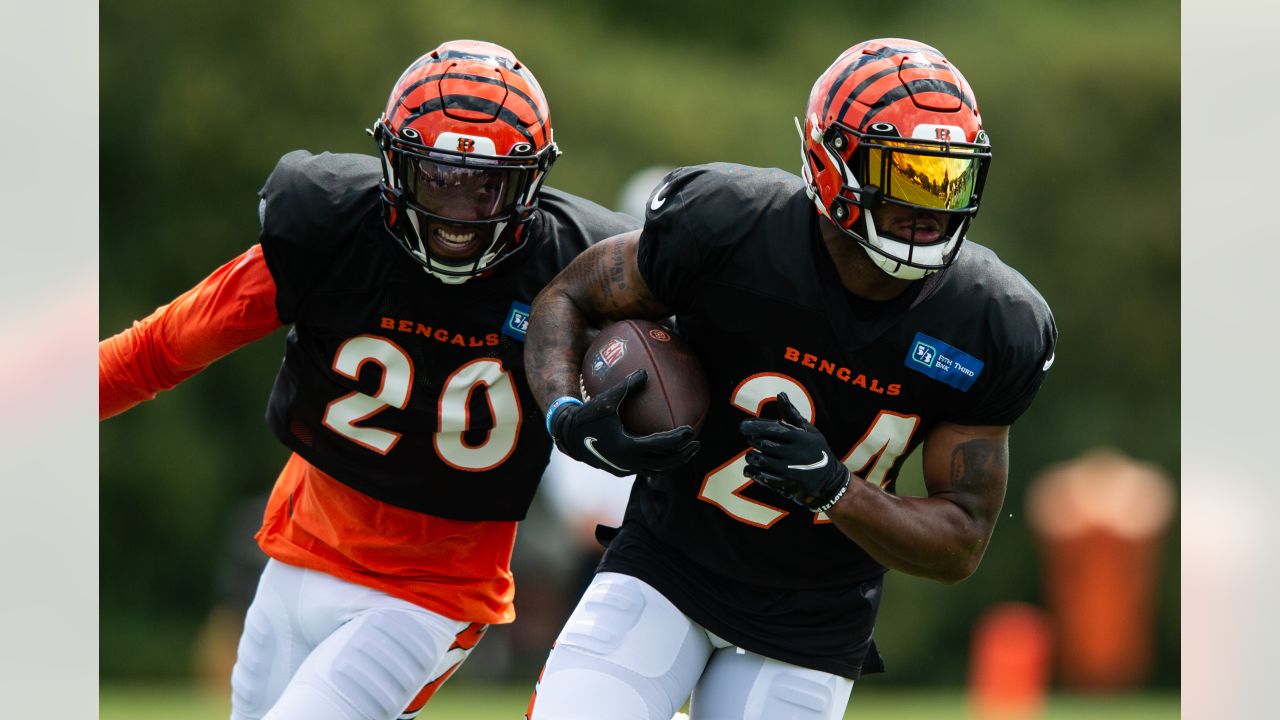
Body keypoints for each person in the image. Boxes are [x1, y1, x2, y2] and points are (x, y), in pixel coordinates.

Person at [99, 39, 638, 720]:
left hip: (430, 596)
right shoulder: (332, 227)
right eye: (435, 178)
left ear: (529, 182)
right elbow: (159, 350)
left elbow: (697, 372)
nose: (455, 216)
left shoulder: (577, 269)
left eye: (482, 188)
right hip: (296, 554)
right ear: (392, 162)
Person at [522, 38, 1057, 720]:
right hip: (667, 562)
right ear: (830, 164)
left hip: (810, 621)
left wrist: (839, 491)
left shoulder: (990, 321)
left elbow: (962, 538)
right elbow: (569, 297)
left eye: (947, 180)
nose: (929, 208)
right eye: (906, 177)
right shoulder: (729, 226)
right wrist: (567, 412)